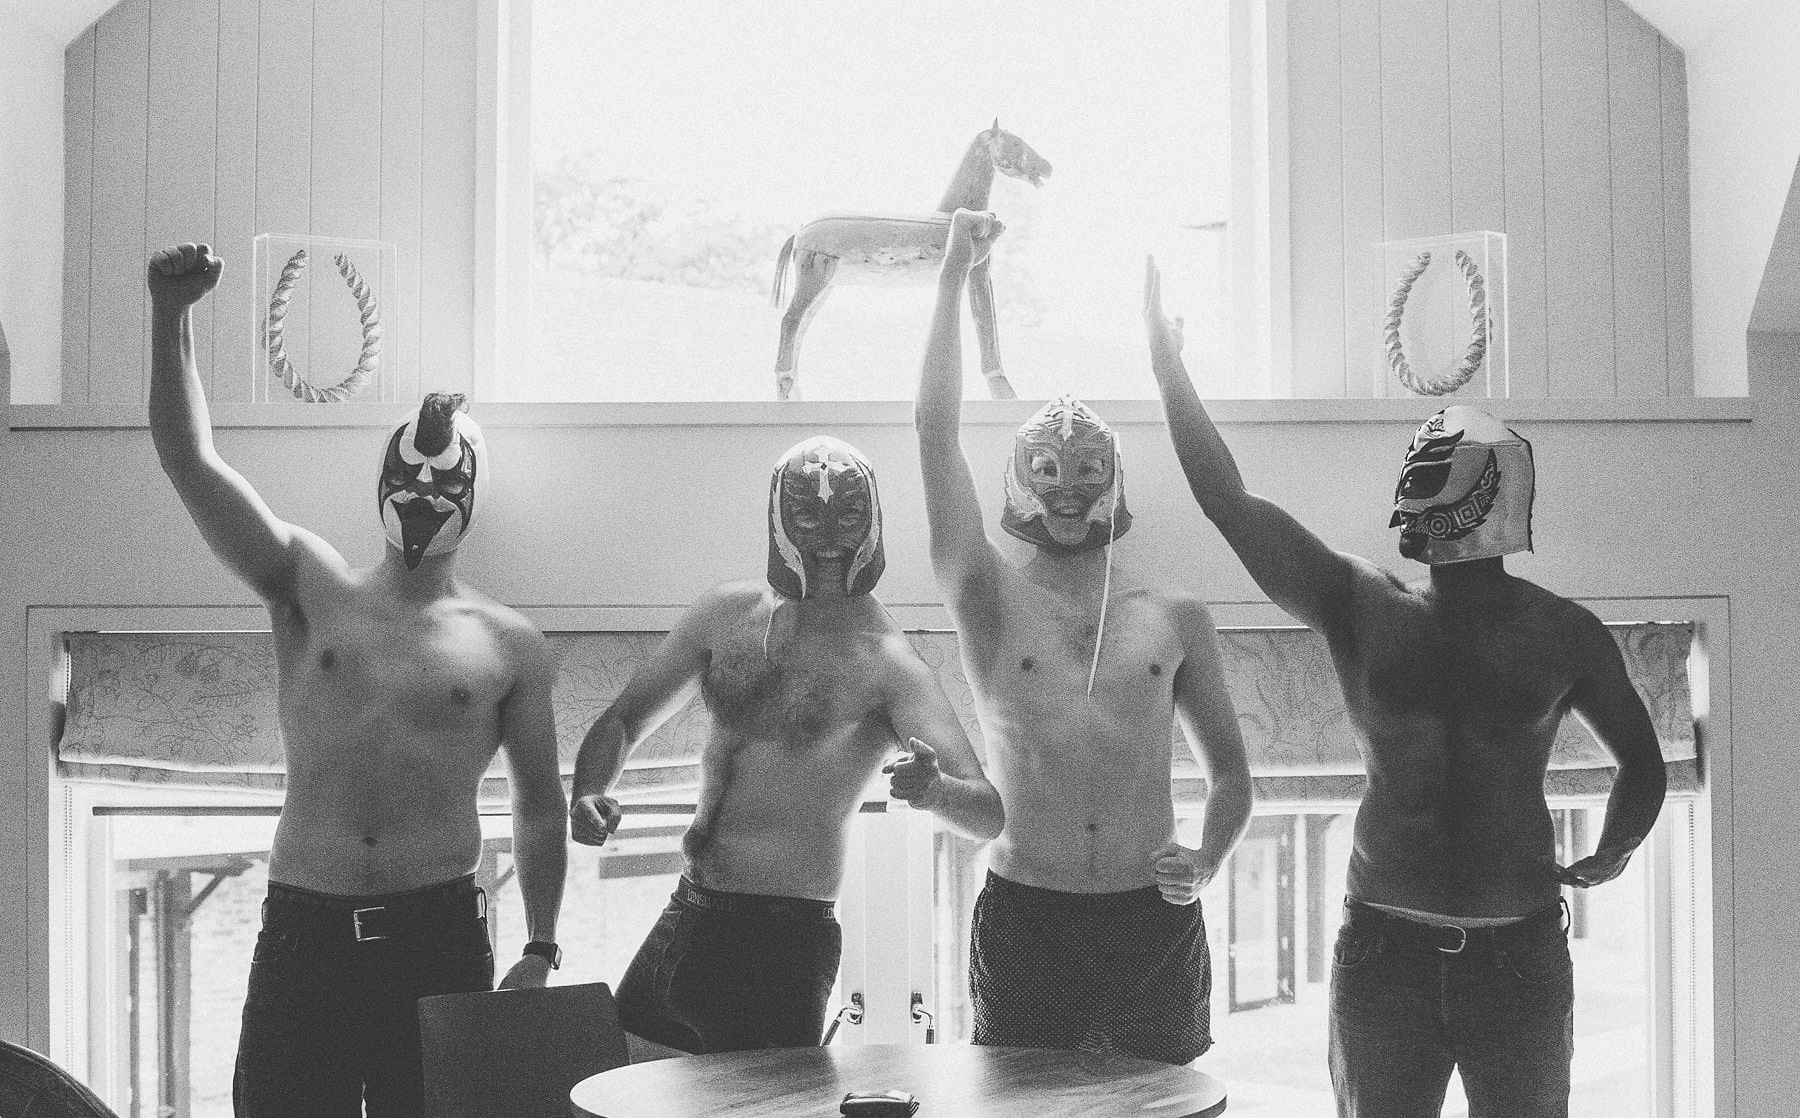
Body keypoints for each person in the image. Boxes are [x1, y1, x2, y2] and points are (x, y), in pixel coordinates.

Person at [1139, 256, 1667, 1116]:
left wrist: (1615, 849)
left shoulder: (1562, 630)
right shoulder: (1360, 603)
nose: (1424, 501)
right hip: (1384, 952)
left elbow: (1644, 765)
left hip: (1520, 958)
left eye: (1443, 482)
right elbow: (1228, 502)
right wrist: (1169, 370)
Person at [146, 243, 568, 1118]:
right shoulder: (307, 583)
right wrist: (169, 312)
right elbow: (190, 461)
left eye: (446, 477)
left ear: (473, 491)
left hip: (438, 935)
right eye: (410, 472)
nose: (423, 490)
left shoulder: (510, 645)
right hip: (306, 928)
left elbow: (539, 804)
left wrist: (541, 944)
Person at [915, 210, 1252, 1066]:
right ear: (1020, 483)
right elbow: (934, 433)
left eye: (1087, 472)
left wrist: (1208, 857)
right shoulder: (985, 592)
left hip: (1154, 914)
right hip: (1029, 908)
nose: (1067, 490)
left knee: (1164, 1104)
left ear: (1114, 482)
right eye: (1048, 472)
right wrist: (952, 277)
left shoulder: (1174, 614)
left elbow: (1233, 778)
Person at [568, 435, 1003, 1054]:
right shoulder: (726, 616)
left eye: (846, 516)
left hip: (782, 941)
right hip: (688, 913)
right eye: (808, 514)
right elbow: (622, 720)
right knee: (622, 1093)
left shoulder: (887, 664)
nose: (827, 535)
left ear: (872, 520)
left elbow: (987, 812)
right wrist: (589, 791)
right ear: (780, 517)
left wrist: (934, 790)